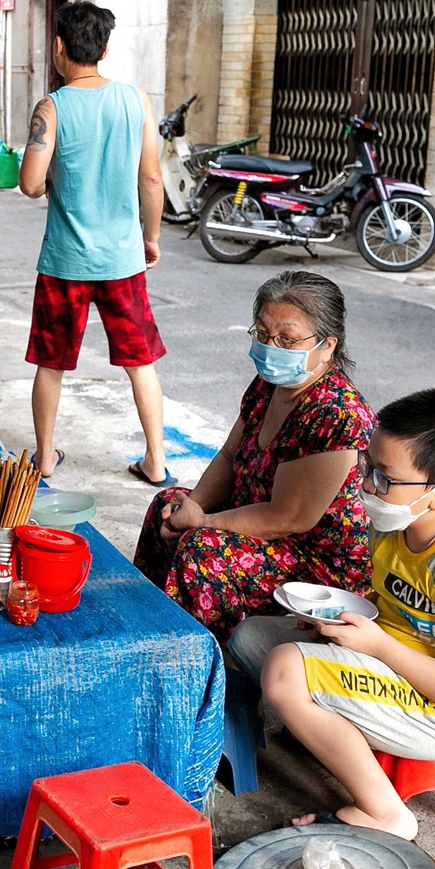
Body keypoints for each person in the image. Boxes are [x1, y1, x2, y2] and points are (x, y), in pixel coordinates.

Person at [238, 389, 435, 840]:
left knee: (285, 669)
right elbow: (394, 606)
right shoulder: (397, 525)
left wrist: (377, 644)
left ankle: (385, 813)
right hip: (394, 666)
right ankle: (335, 733)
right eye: (369, 468)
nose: (367, 487)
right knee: (251, 638)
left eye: (384, 478)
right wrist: (343, 618)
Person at [133, 271, 373, 642]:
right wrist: (191, 509)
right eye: (262, 334)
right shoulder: (269, 385)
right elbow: (231, 455)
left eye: (287, 339)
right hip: (264, 527)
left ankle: (202, 661)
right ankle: (144, 628)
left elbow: (287, 518)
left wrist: (205, 521)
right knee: (167, 505)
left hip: (316, 564)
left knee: (203, 549)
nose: (270, 346)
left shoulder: (336, 413)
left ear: (327, 346)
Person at [17, 1, 170, 484]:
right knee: (139, 361)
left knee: (51, 363)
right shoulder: (135, 100)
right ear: (104, 48)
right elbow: (150, 177)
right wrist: (151, 237)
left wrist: (54, 178)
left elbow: (30, 183)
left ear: (59, 48)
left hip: (66, 261)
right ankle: (156, 460)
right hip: (122, 258)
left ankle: (44, 457)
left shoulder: (52, 106)